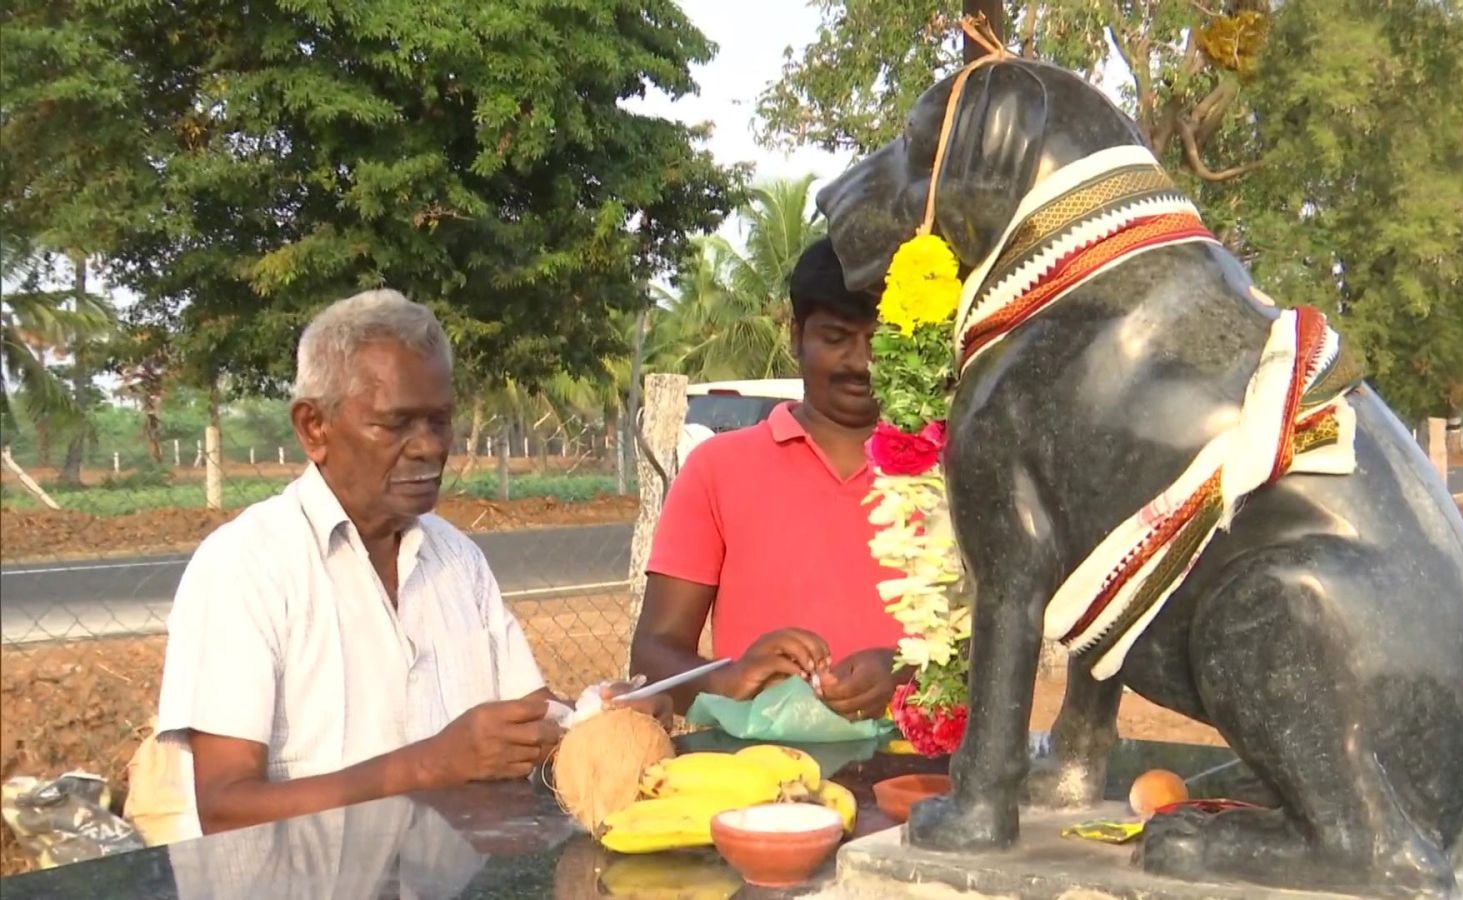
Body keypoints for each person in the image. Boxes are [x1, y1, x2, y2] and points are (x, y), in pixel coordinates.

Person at [150, 289, 668, 838]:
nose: (428, 448)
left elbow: (529, 720)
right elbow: (225, 809)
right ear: (313, 428)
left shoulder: (457, 559)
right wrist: (428, 765)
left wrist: (596, 718)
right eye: (395, 425)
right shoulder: (245, 567)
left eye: (439, 421)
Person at [630, 237, 910, 720]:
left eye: (880, 340)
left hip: (915, 780)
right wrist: (730, 678)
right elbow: (653, 654)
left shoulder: (942, 474)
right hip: (759, 779)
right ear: (796, 337)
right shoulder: (717, 469)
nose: (861, 363)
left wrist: (907, 676)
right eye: (836, 338)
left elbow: (991, 653)